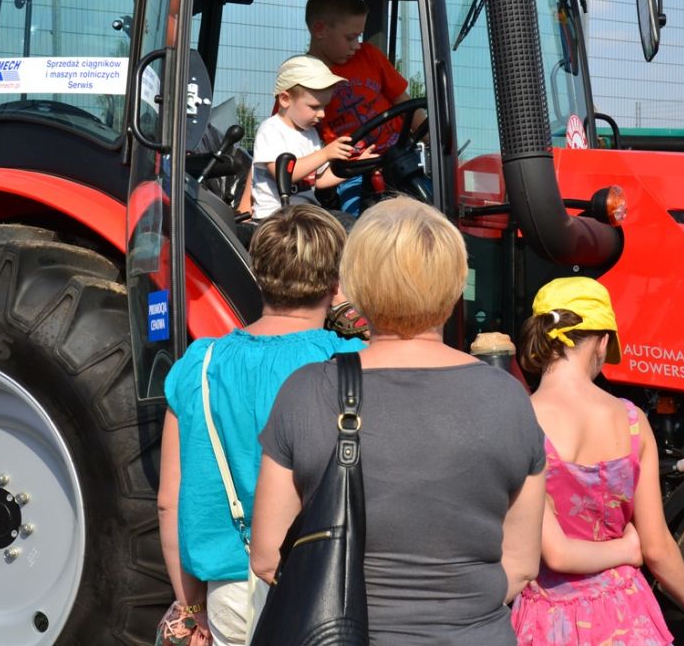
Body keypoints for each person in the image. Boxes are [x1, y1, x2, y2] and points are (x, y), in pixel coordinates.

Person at [251, 197, 546, 646]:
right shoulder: (509, 398)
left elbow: (270, 558)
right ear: (453, 284)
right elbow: (522, 564)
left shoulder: (306, 391)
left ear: (355, 286)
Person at [158, 205, 365, 646]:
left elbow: (170, 503)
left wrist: (191, 608)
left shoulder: (198, 364)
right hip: (330, 585)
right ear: (335, 281)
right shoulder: (353, 361)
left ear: (258, 274)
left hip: (231, 593)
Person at [511, 277, 684, 644]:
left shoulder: (522, 420)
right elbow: (656, 545)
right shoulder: (632, 422)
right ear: (601, 342)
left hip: (548, 619)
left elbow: (545, 550)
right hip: (625, 615)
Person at [304, 0, 421, 214]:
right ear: (320, 30)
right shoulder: (302, 79)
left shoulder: (369, 56)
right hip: (353, 173)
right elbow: (283, 133)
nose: (357, 45)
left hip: (401, 156)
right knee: (360, 224)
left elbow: (406, 105)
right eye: (350, 37)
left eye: (359, 36)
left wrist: (435, 144)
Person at [251, 54, 375, 221]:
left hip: (307, 215)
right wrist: (325, 154)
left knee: (351, 225)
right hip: (275, 219)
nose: (322, 114)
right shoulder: (271, 130)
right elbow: (287, 175)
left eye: (324, 106)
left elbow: (319, 180)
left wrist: (355, 166)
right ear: (285, 99)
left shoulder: (310, 134)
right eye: (314, 107)